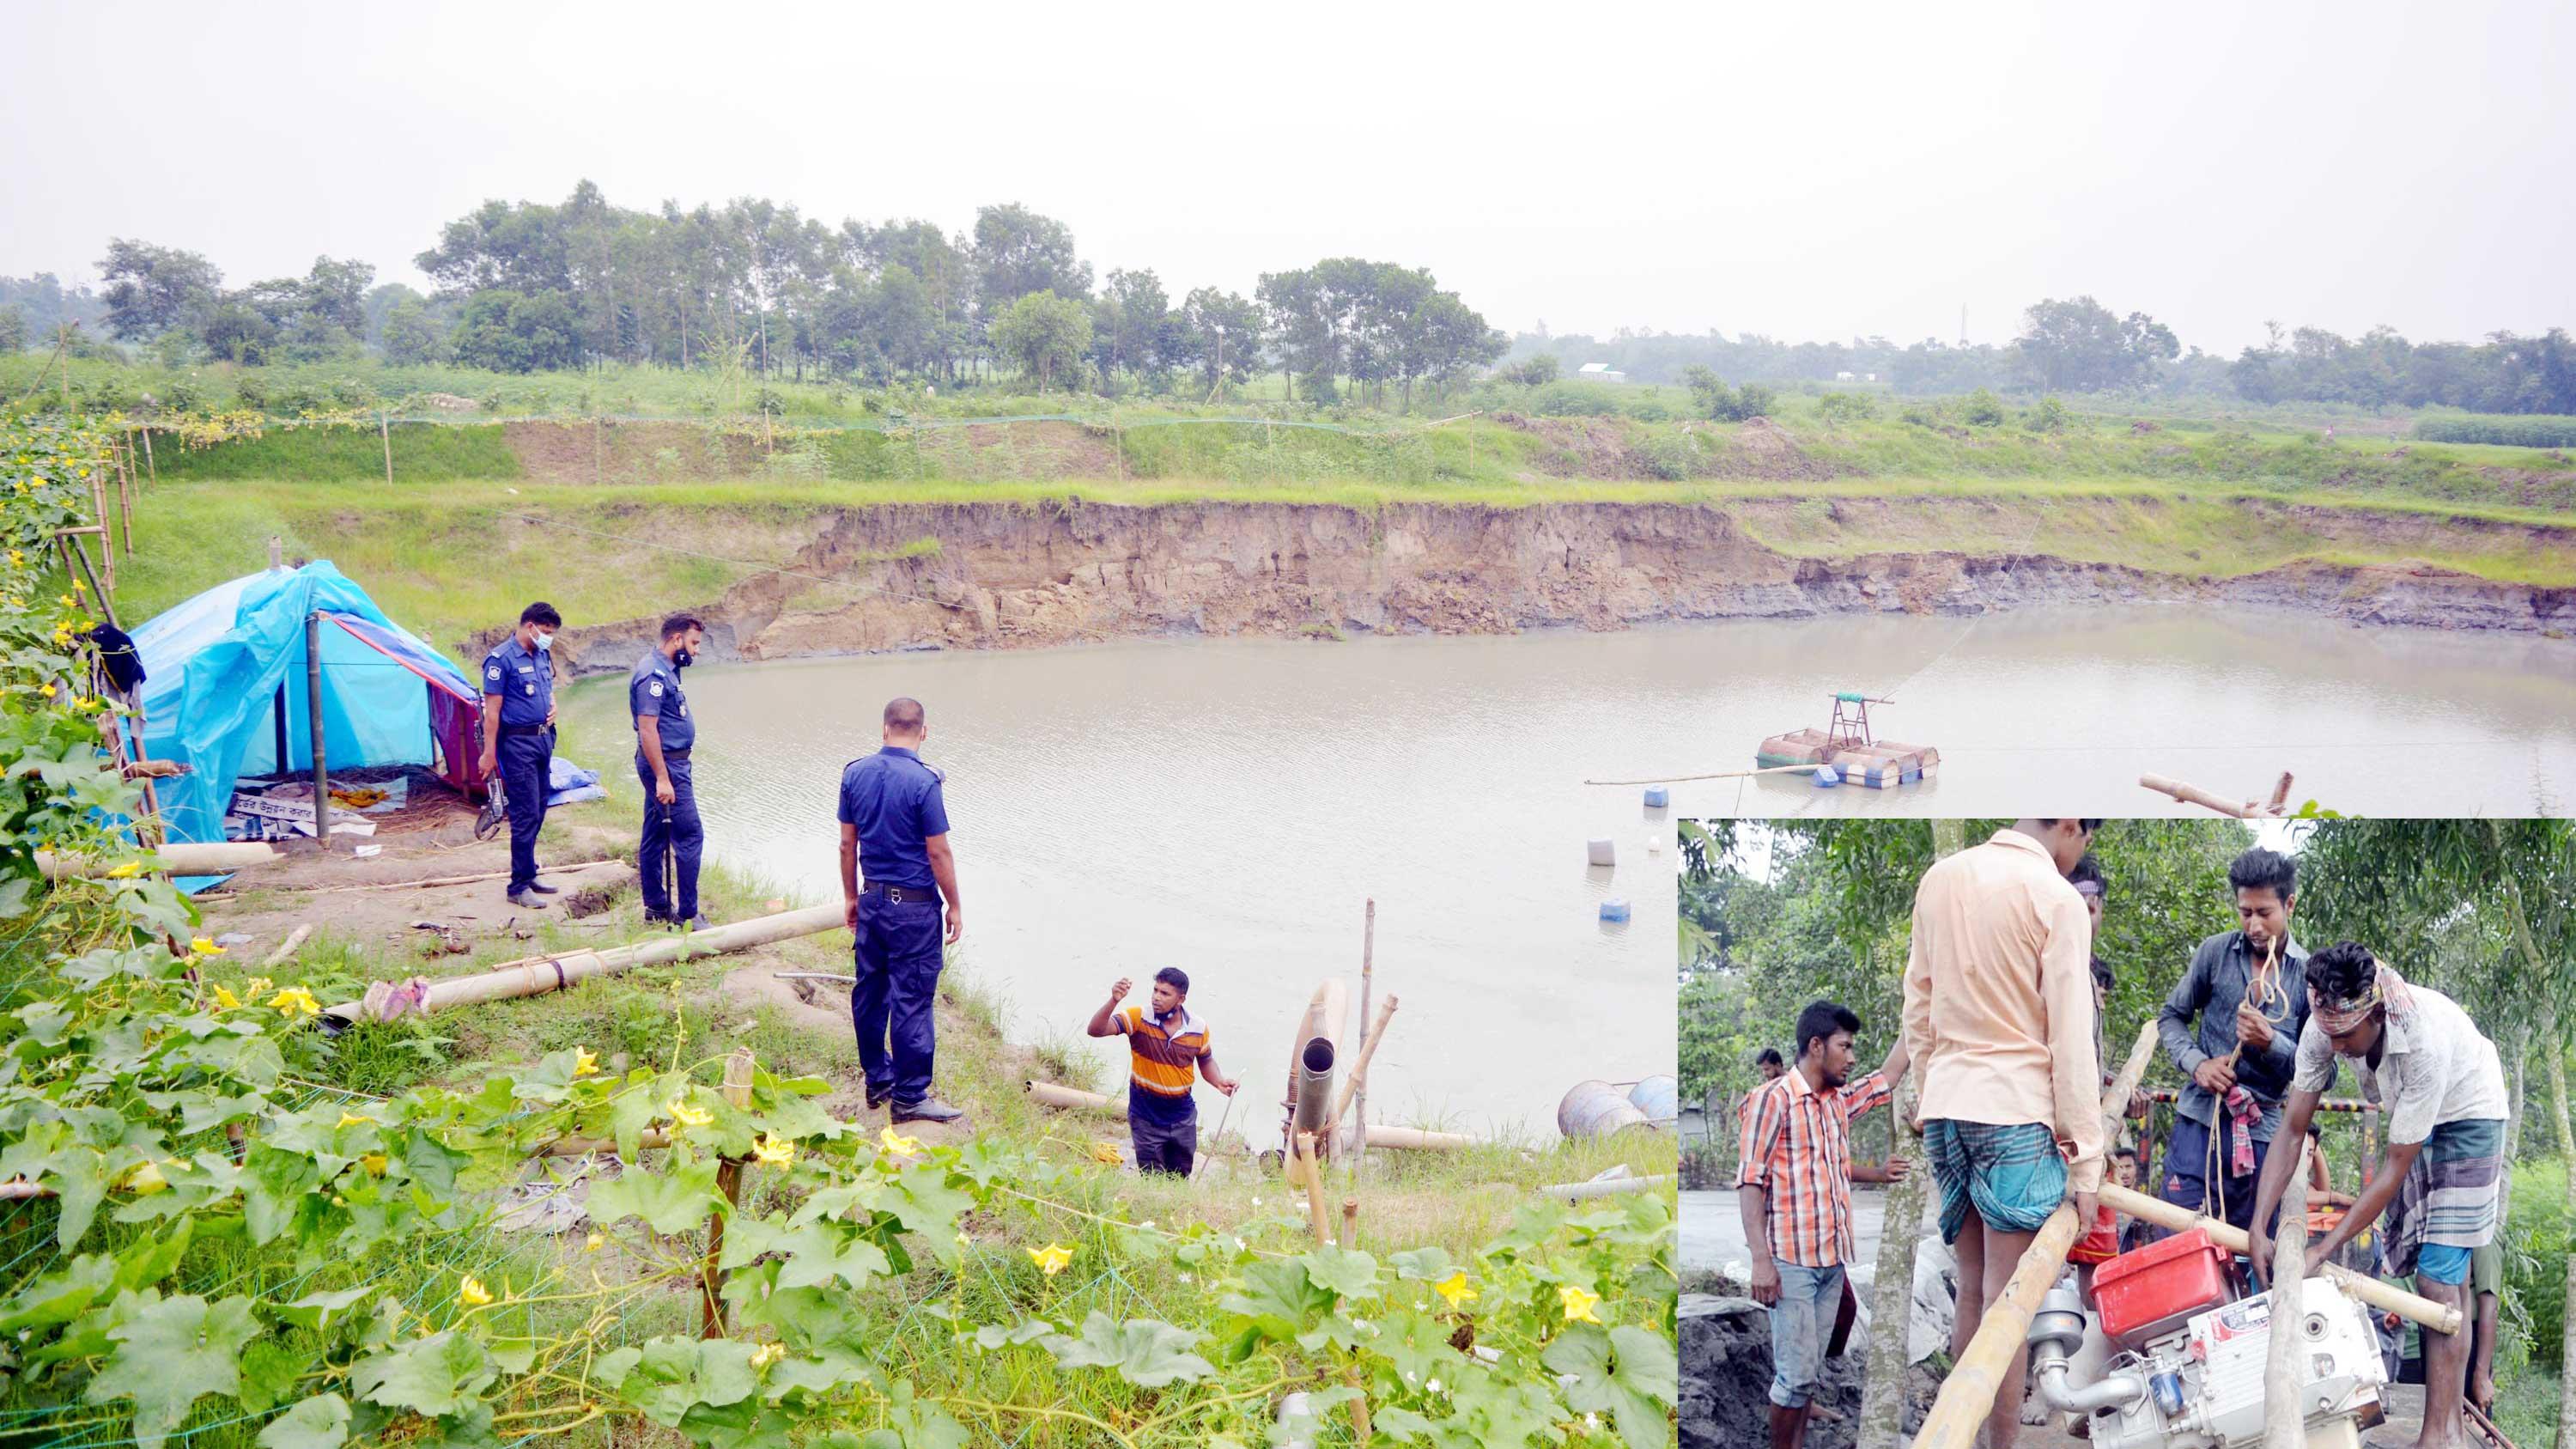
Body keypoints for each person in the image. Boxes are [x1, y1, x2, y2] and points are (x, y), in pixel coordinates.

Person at [2250, 942, 2508, 1449]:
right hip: (2417, 1116)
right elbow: (2292, 1130)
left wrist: (2324, 1250)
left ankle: (2437, 1436)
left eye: (2347, 1037)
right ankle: (2452, 1430)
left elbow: (2392, 1170)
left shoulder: (2423, 1042)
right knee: (2439, 1279)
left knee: (2439, 1278)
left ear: (2378, 1013)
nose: (2338, 1047)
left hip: (2472, 1113)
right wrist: (2260, 1225)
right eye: (2331, 1036)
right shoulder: (2324, 1025)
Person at [1901, 818, 2105, 1449]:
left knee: (1973, 1289)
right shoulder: (2056, 897)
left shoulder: (1941, 879)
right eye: (2083, 841)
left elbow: (1918, 1004)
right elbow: (2071, 1038)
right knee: (2010, 1302)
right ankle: (2002, 1445)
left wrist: (1929, 1089)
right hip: (2015, 1110)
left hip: (1949, 1108)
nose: (2078, 857)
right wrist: (2087, 1157)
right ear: (2070, 824)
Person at [1739, 1001, 1912, 1449]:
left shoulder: (1837, 1102)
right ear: (1816, 1046)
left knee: (1807, 1373)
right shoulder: (1771, 1101)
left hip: (1831, 1262)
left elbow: (1888, 1077)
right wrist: (1762, 1261)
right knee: (1794, 1376)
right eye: (1845, 1047)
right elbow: (1750, 1182)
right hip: (1791, 1263)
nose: (1852, 1058)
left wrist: (1922, 1004)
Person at [2154, 848, 2309, 1247]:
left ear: (2289, 904)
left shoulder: (2308, 975)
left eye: (2264, 913)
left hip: (2262, 1138)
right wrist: (2198, 1065)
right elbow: (2171, 1017)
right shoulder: (2215, 953)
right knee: (2175, 1242)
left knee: (2248, 1251)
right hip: (2198, 1122)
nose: (2254, 925)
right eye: (2245, 913)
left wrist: (2271, 1042)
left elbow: (2321, 1071)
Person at [837, 697, 966, 1124]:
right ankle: (910, 1095)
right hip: (912, 909)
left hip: (872, 900)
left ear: (885, 728)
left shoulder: (854, 774)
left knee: (870, 992)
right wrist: (955, 905)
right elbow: (938, 852)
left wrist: (851, 897)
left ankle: (878, 1079)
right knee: (911, 999)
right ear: (923, 732)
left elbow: (847, 844)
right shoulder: (924, 782)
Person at [1086, 969, 1239, 1176]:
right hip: (1145, 1116)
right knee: (1152, 1177)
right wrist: (1114, 1001)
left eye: (1165, 994)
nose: (1157, 997)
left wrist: (1219, 1082)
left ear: (1181, 999)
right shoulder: (1138, 1018)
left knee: (1179, 1176)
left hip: (1182, 1116)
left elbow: (1206, 1060)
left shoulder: (1198, 1027)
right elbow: (1096, 1030)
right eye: (1155, 990)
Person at [478, 603, 562, 909]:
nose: (549, 638)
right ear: (530, 627)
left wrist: (552, 706)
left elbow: (546, 689)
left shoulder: (542, 654)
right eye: (547, 632)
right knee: (525, 814)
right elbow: (493, 712)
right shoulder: (501, 660)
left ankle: (529, 872)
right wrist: (488, 754)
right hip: (517, 746)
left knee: (539, 808)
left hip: (542, 741)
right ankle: (517, 886)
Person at [632, 614, 708, 929]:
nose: (696, 651)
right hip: (666, 766)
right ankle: (688, 915)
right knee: (690, 835)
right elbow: (648, 730)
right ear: (676, 639)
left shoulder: (666, 670)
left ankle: (656, 906)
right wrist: (663, 777)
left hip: (668, 763)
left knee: (655, 833)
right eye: (694, 643)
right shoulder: (652, 675)